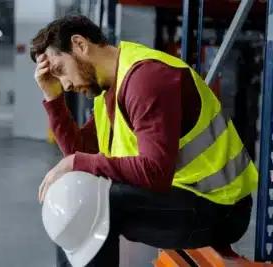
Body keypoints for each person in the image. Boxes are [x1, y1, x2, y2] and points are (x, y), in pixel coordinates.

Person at [31, 15, 258, 267]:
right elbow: (78, 153)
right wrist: (52, 98)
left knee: (85, 204)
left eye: (60, 70)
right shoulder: (109, 88)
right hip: (182, 198)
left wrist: (76, 162)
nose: (65, 85)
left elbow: (155, 172)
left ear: (80, 44)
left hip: (220, 209)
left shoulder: (147, 78)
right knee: (73, 194)